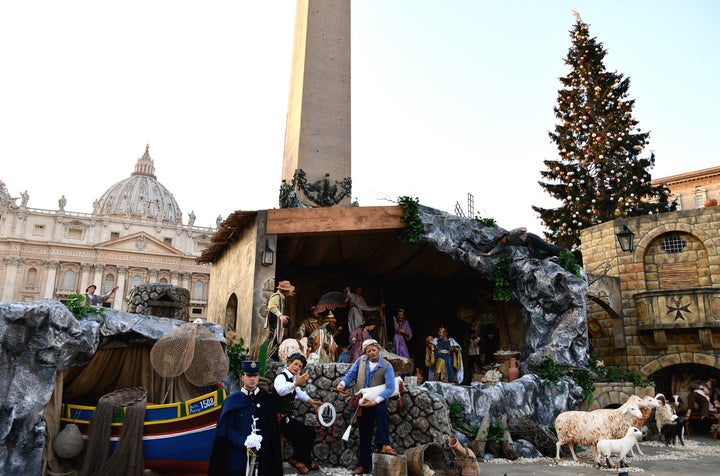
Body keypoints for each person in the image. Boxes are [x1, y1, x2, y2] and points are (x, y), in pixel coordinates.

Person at [208, 360, 283, 476]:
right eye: (249, 375)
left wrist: (261, 440)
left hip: (262, 457)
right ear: (242, 377)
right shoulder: (232, 400)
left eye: (255, 375)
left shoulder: (267, 400)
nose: (252, 379)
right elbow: (226, 430)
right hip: (237, 458)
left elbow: (272, 430)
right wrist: (244, 442)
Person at [336, 339, 396, 475]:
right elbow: (351, 375)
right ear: (365, 352)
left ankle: (383, 444)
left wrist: (375, 402)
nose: (371, 353)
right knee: (364, 433)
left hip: (377, 401)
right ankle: (364, 465)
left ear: (379, 349)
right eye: (368, 351)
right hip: (362, 402)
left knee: (381, 412)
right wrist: (342, 385)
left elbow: (391, 387)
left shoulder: (387, 366)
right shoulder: (361, 361)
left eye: (373, 350)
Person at [272, 353, 322, 474]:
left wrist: (313, 403)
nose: (297, 368)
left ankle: (304, 462)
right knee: (304, 433)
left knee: (309, 432)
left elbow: (299, 393)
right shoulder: (281, 377)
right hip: (278, 419)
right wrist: (295, 384)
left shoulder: (294, 379)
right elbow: (280, 390)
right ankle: (297, 461)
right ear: (289, 363)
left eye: (300, 366)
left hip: (287, 417)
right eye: (295, 364)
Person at [482, 227, 565, 259]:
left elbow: (522, 228)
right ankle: (552, 255)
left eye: (501, 239)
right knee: (535, 256)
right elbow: (497, 248)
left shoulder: (512, 233)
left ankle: (563, 252)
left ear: (504, 235)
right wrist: (489, 254)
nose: (501, 242)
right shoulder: (504, 243)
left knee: (546, 247)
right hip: (528, 244)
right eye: (499, 241)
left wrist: (523, 231)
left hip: (531, 238)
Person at [266, 280, 296, 347]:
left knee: (276, 337)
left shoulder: (281, 296)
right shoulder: (277, 296)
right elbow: (271, 306)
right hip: (273, 321)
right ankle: (266, 354)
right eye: (288, 291)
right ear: (284, 291)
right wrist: (280, 316)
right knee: (271, 337)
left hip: (276, 321)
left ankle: (272, 353)